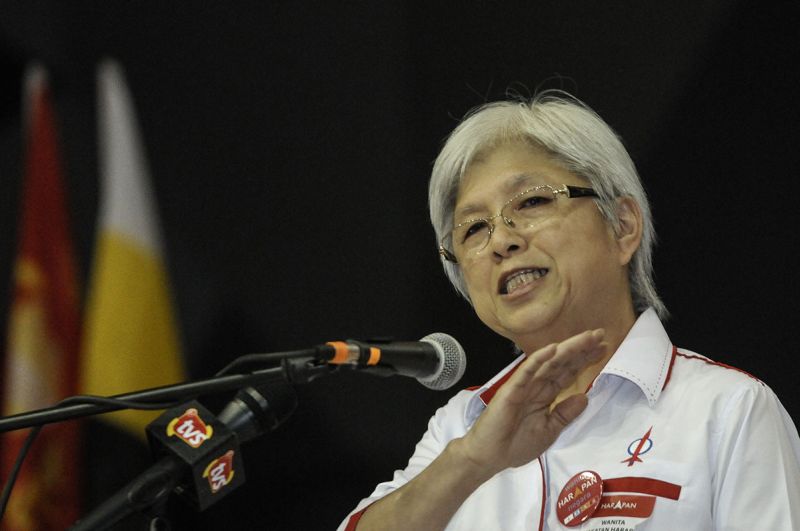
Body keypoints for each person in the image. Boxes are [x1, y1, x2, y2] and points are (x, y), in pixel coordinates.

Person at [338, 92, 800, 530]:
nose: (502, 240)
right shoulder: (459, 426)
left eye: (533, 201)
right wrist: (472, 461)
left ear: (622, 226)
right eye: (474, 228)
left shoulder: (726, 410)